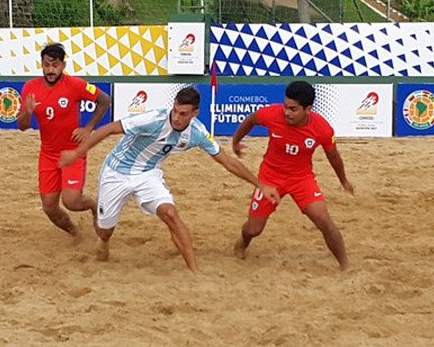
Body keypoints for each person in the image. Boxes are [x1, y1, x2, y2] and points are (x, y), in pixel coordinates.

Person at [60, 86, 277, 272]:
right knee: (105, 231)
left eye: (183, 114)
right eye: (175, 111)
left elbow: (227, 161)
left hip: (148, 174)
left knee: (170, 213)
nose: (176, 117)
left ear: (194, 113)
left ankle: (194, 271)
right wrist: (77, 154)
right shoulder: (154, 119)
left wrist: (260, 185)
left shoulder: (197, 132)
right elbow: (109, 128)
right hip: (117, 172)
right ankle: (103, 234)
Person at [231, 80, 353, 271]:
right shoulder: (273, 114)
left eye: (293, 109)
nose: (287, 112)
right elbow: (251, 120)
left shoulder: (322, 129)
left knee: (323, 219)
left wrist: (343, 180)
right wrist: (236, 142)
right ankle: (243, 242)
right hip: (270, 177)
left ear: (308, 109)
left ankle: (345, 265)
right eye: (286, 106)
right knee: (253, 229)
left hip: (301, 178)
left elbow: (333, 156)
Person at [16, 43, 111, 240]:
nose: (51, 70)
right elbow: (22, 126)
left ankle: (94, 206)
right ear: (41, 65)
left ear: (63, 65)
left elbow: (105, 100)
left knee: (72, 201)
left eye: (55, 65)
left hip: (72, 152)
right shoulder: (30, 88)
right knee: (50, 208)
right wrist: (27, 112)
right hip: (48, 155)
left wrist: (88, 128)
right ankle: (75, 234)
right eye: (46, 65)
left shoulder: (74, 85)